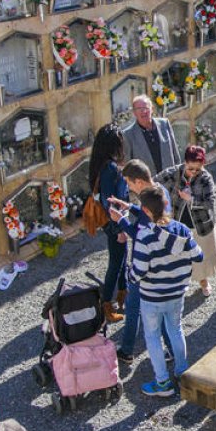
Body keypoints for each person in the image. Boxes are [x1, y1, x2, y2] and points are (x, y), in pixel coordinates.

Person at [111, 185, 202, 397]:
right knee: (176, 330)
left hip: (152, 296)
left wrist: (129, 276)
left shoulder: (145, 236)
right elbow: (198, 256)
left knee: (152, 337)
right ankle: (182, 371)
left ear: (146, 210)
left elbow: (138, 272)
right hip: (177, 293)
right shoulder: (181, 229)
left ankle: (163, 382)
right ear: (166, 204)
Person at [110, 160, 172, 364]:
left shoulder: (148, 199)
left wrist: (120, 220)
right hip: (158, 263)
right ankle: (130, 349)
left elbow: (140, 235)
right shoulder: (159, 192)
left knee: (137, 306)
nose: (128, 187)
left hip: (145, 264)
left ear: (138, 182)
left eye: (129, 183)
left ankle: (128, 350)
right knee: (145, 307)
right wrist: (130, 207)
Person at [155, 146, 216, 297]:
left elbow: (210, 203)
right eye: (191, 168)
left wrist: (190, 199)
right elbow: (153, 184)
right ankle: (181, 282)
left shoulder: (206, 178)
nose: (194, 172)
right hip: (178, 223)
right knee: (177, 256)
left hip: (200, 225)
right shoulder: (173, 173)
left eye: (198, 169)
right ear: (185, 162)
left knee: (200, 256)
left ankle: (203, 281)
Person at [88, 123, 129, 322]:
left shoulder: (99, 164)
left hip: (111, 222)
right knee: (116, 263)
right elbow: (110, 201)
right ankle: (107, 305)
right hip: (115, 222)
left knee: (122, 257)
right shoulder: (111, 168)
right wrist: (120, 229)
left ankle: (123, 293)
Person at [121, 94, 182, 176]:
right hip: (147, 182)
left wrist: (179, 176)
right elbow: (128, 166)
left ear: (152, 109)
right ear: (134, 112)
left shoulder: (164, 124)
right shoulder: (128, 135)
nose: (143, 111)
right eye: (139, 109)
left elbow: (175, 155)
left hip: (170, 179)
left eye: (146, 108)